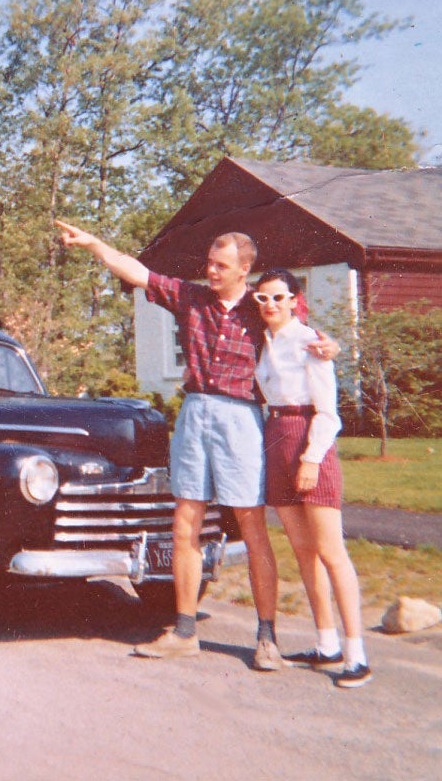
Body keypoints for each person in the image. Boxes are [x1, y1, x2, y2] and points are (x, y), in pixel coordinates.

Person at [55, 220, 337, 670]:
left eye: (222, 265)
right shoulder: (191, 299)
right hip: (194, 415)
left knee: (250, 525)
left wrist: (330, 345)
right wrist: (94, 244)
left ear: (245, 270)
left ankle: (267, 638)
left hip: (241, 417)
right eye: (209, 263)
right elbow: (136, 271)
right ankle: (184, 631)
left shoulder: (260, 307)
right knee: (185, 521)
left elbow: (303, 335)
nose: (212, 271)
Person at [253, 268, 371, 688]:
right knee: (303, 551)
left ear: (295, 299)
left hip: (308, 440)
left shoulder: (309, 341)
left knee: (330, 551)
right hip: (276, 439)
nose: (270, 305)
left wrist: (310, 459)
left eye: (279, 297)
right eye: (262, 298)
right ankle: (326, 645)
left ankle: (356, 655)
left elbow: (328, 411)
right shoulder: (264, 341)